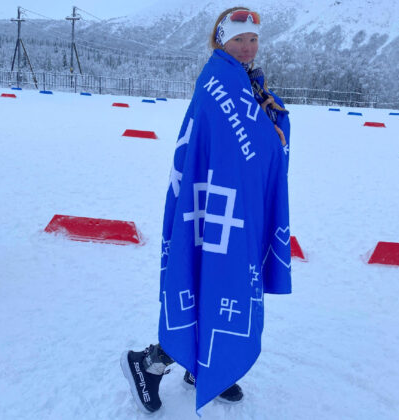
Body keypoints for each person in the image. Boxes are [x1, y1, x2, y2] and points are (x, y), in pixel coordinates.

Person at [121, 7, 292, 415]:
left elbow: (255, 140)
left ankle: (204, 367)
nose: (247, 47)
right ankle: (147, 363)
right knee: (206, 276)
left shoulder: (247, 80)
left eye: (253, 39)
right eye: (239, 39)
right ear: (221, 40)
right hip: (210, 205)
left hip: (233, 202)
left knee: (220, 278)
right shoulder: (218, 80)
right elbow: (227, 141)